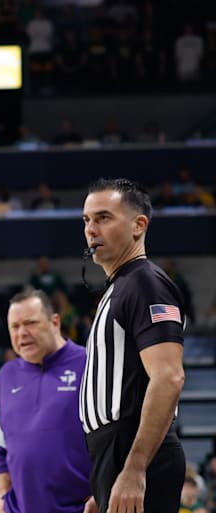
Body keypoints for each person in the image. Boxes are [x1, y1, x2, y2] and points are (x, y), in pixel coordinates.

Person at [80, 178, 186, 513]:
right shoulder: (121, 287)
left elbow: (169, 378)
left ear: (139, 225)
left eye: (103, 218)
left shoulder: (145, 283)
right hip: (114, 453)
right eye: (86, 221)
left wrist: (135, 468)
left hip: (134, 450)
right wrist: (105, 484)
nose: (91, 229)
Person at [0, 289, 91, 513]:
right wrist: (2, 496)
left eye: (30, 323)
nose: (22, 333)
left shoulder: (89, 363)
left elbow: (117, 438)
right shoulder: (6, 375)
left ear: (55, 322)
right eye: (15, 327)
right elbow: (1, 445)